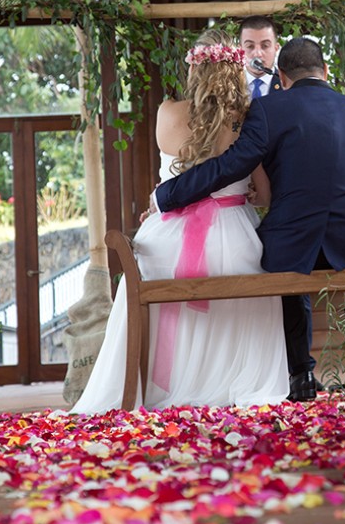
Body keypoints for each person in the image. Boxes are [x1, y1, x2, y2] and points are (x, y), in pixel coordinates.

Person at [153, 36, 345, 401]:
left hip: (291, 243)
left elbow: (231, 165)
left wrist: (168, 194)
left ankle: (300, 375)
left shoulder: (268, 109)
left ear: (281, 76)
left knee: (283, 270)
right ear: (325, 70)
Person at [72, 31, 289, 413]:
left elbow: (172, 172)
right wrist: (248, 194)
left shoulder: (168, 112)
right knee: (251, 272)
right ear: (233, 68)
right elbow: (266, 194)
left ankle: (155, 389)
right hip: (234, 234)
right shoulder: (244, 120)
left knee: (151, 279)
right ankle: (226, 384)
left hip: (166, 236)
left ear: (193, 68)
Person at [239, 15, 281, 100]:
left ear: (276, 48)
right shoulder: (228, 85)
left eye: (265, 46)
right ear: (240, 50)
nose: (257, 54)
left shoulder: (287, 86)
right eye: (250, 46)